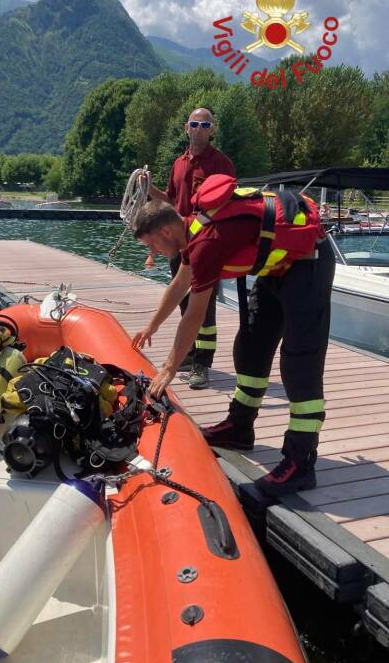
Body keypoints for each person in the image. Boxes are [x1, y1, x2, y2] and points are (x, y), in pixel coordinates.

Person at [131, 175, 335, 496]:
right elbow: (179, 285)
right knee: (251, 346)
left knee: (299, 361)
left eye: (151, 244)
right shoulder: (193, 230)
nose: (152, 251)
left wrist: (170, 368)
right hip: (276, 268)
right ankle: (240, 427)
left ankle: (300, 460)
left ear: (165, 231)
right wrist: (152, 326)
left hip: (309, 263)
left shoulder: (206, 244)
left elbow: (194, 314)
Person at [145, 107, 234, 390]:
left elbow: (228, 205)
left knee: (204, 307)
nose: (198, 128)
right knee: (184, 301)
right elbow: (171, 200)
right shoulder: (178, 163)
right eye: (194, 123)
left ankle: (202, 363)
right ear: (186, 128)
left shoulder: (221, 163)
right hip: (180, 243)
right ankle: (190, 353)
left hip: (207, 244)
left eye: (204, 124)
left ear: (212, 129)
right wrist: (149, 188)